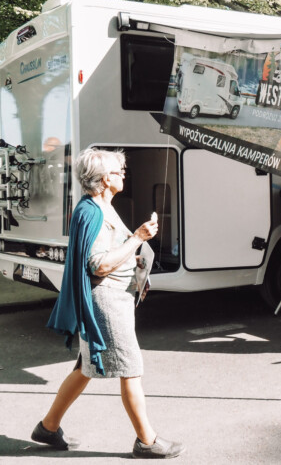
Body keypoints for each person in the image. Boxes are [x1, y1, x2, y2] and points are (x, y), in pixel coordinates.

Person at [32, 148, 185, 459]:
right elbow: (97, 266)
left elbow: (108, 254)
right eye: (118, 170)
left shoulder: (100, 206)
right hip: (106, 303)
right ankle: (147, 440)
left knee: (85, 368)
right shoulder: (93, 212)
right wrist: (138, 237)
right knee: (131, 368)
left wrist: (135, 253)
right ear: (104, 179)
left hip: (111, 299)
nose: (123, 174)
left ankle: (48, 427)